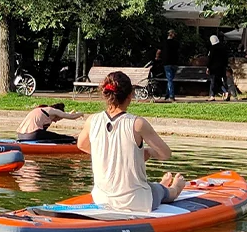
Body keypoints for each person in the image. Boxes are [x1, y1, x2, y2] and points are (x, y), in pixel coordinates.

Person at [76, 71, 187, 212]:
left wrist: (112, 156)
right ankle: (176, 187)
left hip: (101, 199)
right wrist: (149, 152)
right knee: (163, 192)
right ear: (130, 95)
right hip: (136, 201)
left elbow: (81, 145)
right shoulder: (137, 124)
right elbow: (165, 154)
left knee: (151, 187)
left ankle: (160, 185)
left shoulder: (92, 121)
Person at [16, 103, 84, 142]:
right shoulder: (52, 110)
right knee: (58, 137)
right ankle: (75, 139)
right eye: (57, 119)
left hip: (20, 136)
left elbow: (63, 114)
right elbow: (71, 117)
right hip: (32, 136)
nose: (55, 121)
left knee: (53, 135)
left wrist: (68, 113)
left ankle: (72, 137)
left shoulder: (43, 109)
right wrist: (80, 113)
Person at [206, 35, 233, 101]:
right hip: (222, 67)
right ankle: (226, 91)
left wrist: (208, 67)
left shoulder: (212, 48)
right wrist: (226, 65)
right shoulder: (223, 48)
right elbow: (226, 58)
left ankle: (212, 95)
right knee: (220, 81)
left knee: (213, 82)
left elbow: (210, 59)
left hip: (214, 68)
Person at [159, 29, 181, 101]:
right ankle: (167, 95)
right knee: (170, 79)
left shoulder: (164, 43)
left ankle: (171, 96)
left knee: (169, 80)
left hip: (167, 63)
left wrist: (157, 57)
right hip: (174, 63)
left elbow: (159, 51)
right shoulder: (176, 43)